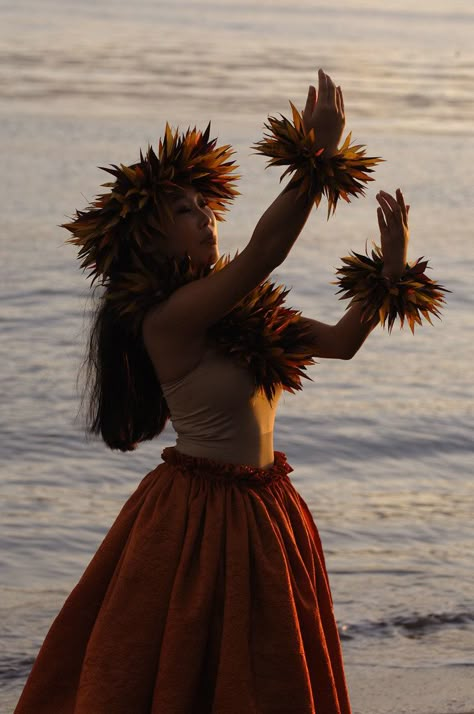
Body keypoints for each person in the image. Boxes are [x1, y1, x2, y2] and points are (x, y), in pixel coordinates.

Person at [14, 68, 446, 714]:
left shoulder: (253, 322)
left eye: (205, 205)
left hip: (269, 513)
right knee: (187, 673)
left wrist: (390, 270)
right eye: (184, 211)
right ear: (150, 243)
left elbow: (343, 341)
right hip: (195, 519)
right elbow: (263, 252)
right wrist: (316, 157)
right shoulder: (169, 320)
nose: (206, 216)